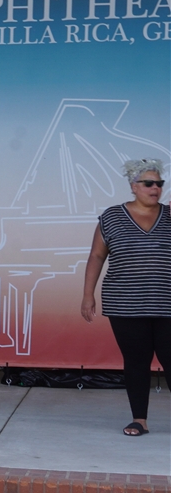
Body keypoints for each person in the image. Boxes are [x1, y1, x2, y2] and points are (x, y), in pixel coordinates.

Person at [80, 158, 170, 437]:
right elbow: (97, 256)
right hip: (125, 303)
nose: (155, 188)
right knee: (136, 361)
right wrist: (88, 295)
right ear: (134, 186)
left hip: (167, 302)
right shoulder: (112, 216)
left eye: (159, 183)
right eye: (149, 183)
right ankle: (139, 419)